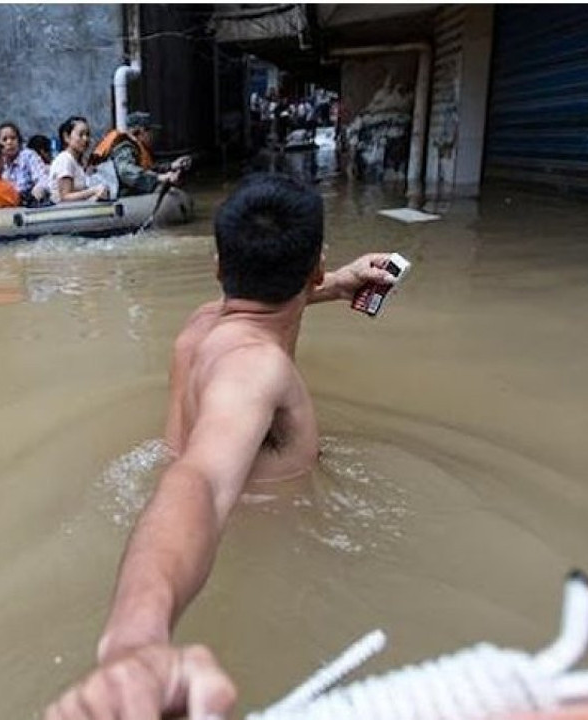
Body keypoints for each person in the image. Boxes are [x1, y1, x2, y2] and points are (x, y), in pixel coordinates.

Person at [44, 174, 399, 720]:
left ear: (217, 267)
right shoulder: (254, 369)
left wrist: (339, 281)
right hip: (250, 551)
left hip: (168, 537)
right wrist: (135, 645)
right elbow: (201, 483)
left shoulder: (202, 326)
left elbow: (259, 304)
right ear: (315, 267)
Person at [93, 111, 192, 196]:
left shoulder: (137, 148)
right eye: (150, 131)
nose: (153, 135)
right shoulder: (125, 147)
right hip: (121, 194)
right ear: (140, 131)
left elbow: (147, 168)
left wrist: (171, 166)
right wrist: (159, 178)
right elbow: (125, 172)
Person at [48, 116, 110, 204]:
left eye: (87, 135)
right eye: (80, 135)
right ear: (67, 137)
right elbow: (64, 197)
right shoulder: (65, 160)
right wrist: (93, 191)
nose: (85, 139)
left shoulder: (77, 161)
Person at [0, 122, 50, 204]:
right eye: (5, 139)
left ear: (19, 140)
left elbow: (43, 179)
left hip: (29, 203)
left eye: (13, 138)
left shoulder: (28, 156)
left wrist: (37, 191)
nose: (9, 142)